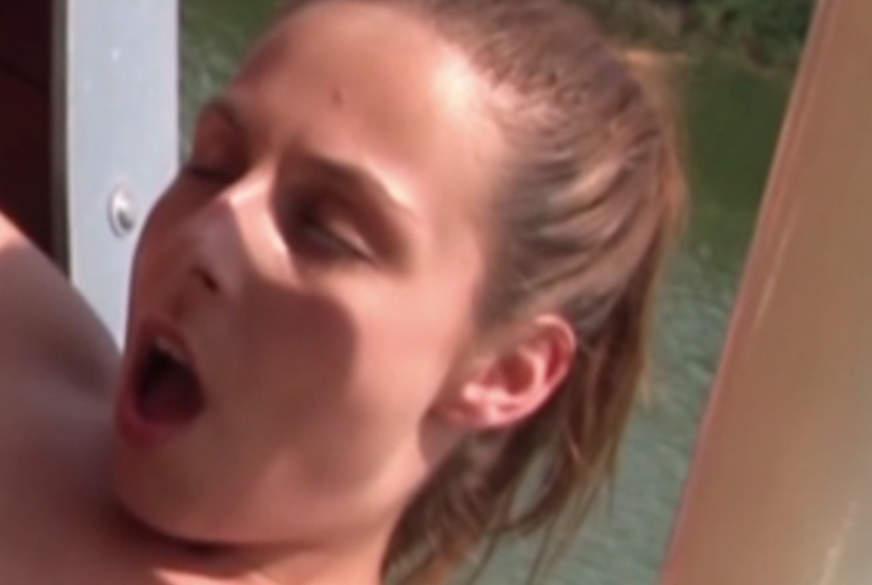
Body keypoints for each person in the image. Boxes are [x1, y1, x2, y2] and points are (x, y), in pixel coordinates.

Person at [0, 0, 683, 583]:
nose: (205, 235)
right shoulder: (34, 349)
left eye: (326, 232)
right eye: (213, 164)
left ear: (506, 371)